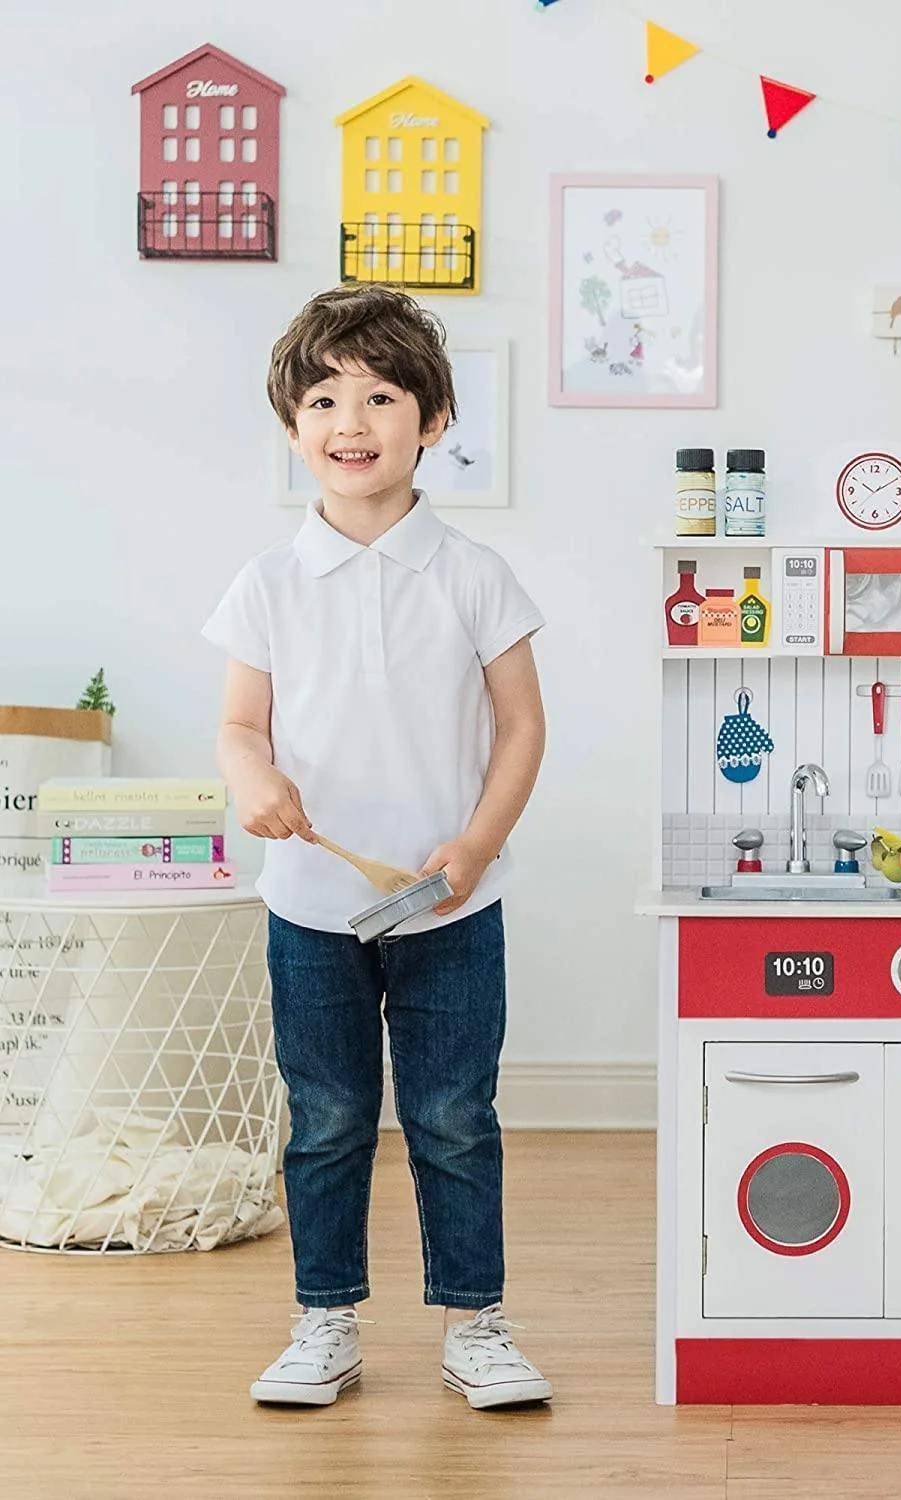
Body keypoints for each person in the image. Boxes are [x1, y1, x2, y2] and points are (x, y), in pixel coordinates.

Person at [202, 284, 548, 1410]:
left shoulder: (474, 574)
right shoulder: (267, 581)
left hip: (452, 904)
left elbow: (522, 726)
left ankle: (477, 1325)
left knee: (455, 1119)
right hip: (311, 905)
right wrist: (254, 780)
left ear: (433, 419)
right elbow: (240, 726)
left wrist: (477, 846)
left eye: (381, 396)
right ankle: (324, 1320)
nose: (350, 421)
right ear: (291, 428)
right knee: (328, 1119)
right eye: (323, 400)